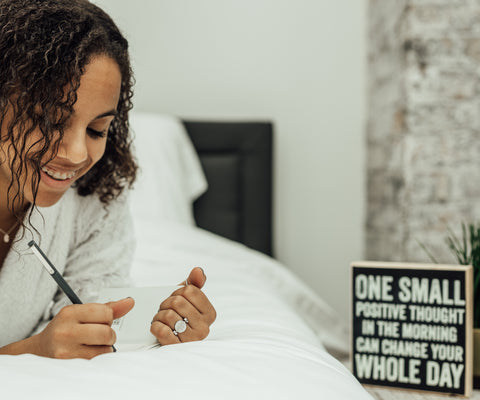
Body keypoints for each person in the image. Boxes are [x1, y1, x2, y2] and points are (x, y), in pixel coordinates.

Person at [0, 0, 216, 359]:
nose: (76, 153)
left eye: (97, 130)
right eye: (51, 122)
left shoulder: (93, 196)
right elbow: (47, 343)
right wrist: (32, 350)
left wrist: (165, 325)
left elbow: (87, 319)